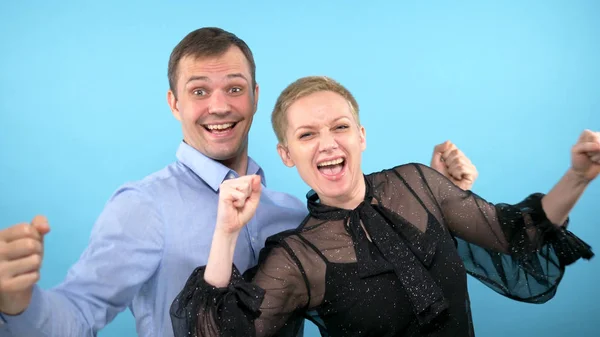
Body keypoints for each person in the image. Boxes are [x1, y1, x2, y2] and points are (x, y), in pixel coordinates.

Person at [0, 28, 478, 337]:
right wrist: (18, 305)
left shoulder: (292, 211)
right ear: (174, 103)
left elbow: (383, 270)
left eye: (233, 88)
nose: (219, 106)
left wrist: (440, 197)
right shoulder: (143, 207)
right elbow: (79, 314)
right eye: (198, 91)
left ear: (254, 96)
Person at [170, 76, 597, 337]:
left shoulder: (418, 185)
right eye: (307, 135)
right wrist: (225, 232)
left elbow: (516, 233)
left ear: (361, 136)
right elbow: (217, 334)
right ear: (287, 155)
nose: (328, 143)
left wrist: (578, 175)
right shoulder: (296, 258)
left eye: (340, 127)